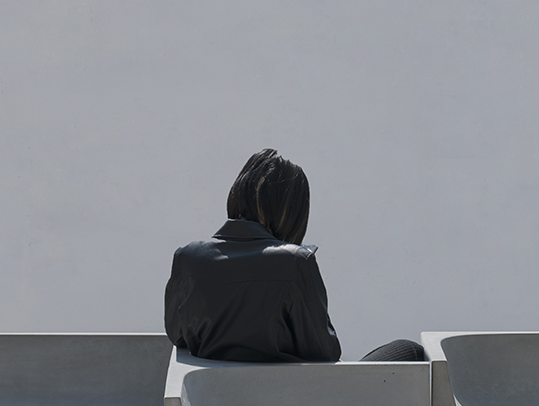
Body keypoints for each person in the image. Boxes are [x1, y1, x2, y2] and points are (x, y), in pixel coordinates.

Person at [164, 149, 426, 365]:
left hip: (213, 402)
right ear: (292, 212)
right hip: (295, 403)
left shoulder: (187, 258)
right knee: (409, 350)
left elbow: (178, 336)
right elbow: (325, 352)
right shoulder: (294, 262)